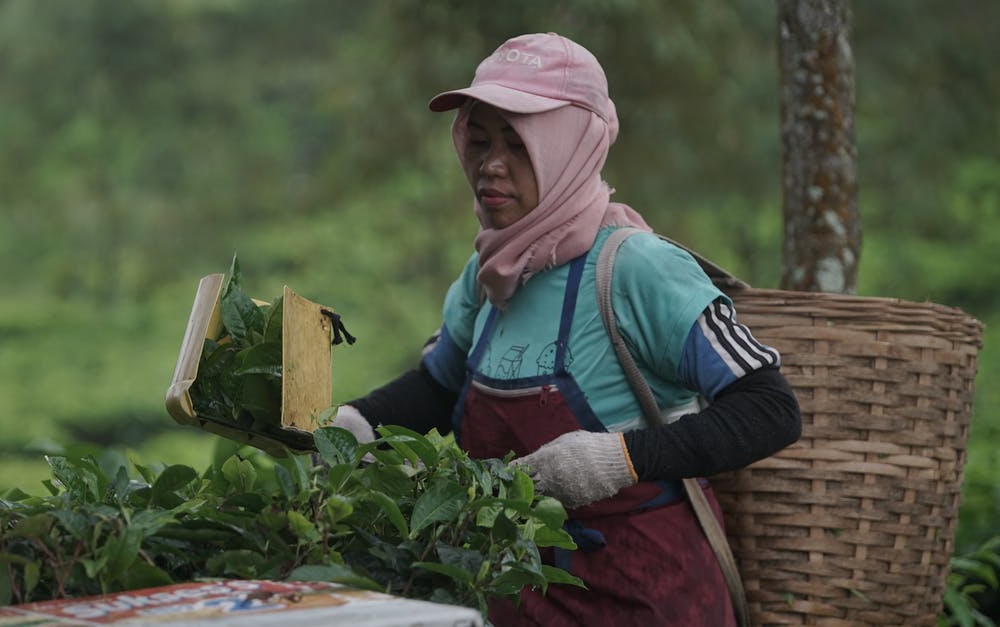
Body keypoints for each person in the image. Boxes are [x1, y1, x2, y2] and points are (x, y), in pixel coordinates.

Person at [334, 32, 801, 626]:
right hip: (515, 598)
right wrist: (354, 425)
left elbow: (770, 409)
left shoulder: (637, 269)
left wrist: (617, 460)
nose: (490, 165)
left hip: (648, 601)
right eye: (478, 141)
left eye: (519, 145)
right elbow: (439, 386)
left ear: (572, 148)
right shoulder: (488, 274)